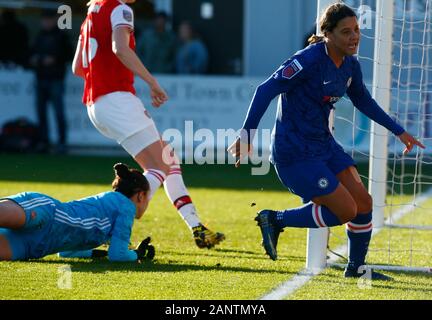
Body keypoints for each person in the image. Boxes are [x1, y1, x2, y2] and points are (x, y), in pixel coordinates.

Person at [228, 3, 425, 279]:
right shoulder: (307, 61)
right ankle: (274, 219)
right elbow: (265, 90)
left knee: (364, 204)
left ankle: (357, 268)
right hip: (294, 152)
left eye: (356, 30)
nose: (354, 36)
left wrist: (398, 130)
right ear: (327, 34)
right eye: (346, 32)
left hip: (324, 146)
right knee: (345, 210)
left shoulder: (349, 65)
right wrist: (246, 134)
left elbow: (363, 101)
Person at [72, 0, 225, 249]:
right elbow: (120, 49)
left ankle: (196, 227)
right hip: (117, 100)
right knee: (162, 164)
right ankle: (110, 225)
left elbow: (78, 68)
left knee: (167, 159)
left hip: (96, 105)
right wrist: (152, 82)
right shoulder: (120, 9)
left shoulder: (91, 13)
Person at [0, 163, 155, 262]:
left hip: (40, 242)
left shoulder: (111, 203)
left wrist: (92, 253)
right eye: (148, 197)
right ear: (140, 195)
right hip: (48, 218)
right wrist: (137, 254)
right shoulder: (126, 206)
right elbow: (118, 255)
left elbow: (67, 250)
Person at [29, 9, 72, 153]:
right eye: (44, 20)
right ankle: (44, 141)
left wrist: (54, 60)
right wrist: (35, 60)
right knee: (41, 112)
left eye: (49, 19)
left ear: (54, 20)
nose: (46, 22)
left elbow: (68, 54)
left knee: (58, 112)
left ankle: (62, 142)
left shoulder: (61, 36)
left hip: (55, 79)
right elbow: (30, 53)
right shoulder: (39, 36)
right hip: (41, 77)